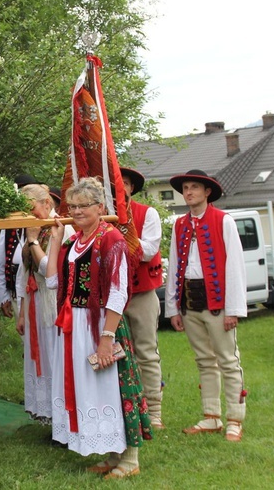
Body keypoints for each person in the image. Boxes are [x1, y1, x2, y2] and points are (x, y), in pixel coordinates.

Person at [46, 177, 151, 480]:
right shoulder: (72, 241)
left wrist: (107, 337)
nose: (76, 211)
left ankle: (130, 459)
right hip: (74, 322)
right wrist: (54, 239)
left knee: (112, 387)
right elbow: (53, 281)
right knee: (91, 388)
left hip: (101, 323)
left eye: (83, 206)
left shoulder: (111, 238)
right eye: (73, 206)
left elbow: (118, 291)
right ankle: (112, 452)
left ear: (100, 207)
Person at [165, 169, 247, 442]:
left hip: (218, 303)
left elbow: (234, 265)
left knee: (228, 360)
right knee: (204, 361)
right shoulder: (179, 224)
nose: (188, 192)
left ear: (207, 192)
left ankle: (235, 418)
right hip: (190, 301)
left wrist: (233, 309)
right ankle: (211, 416)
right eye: (185, 188)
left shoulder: (223, 221)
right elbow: (175, 265)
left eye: (194, 188)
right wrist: (174, 308)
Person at [16, 184, 73, 430]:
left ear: (47, 204)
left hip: (53, 300)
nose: (29, 216)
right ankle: (45, 412)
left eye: (32, 209)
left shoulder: (62, 227)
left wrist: (32, 240)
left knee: (53, 355)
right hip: (34, 300)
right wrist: (21, 309)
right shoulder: (33, 228)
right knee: (37, 355)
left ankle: (60, 416)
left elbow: (49, 268)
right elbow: (23, 270)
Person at [119, 167, 165, 429]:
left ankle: (155, 409)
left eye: (124, 183)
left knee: (146, 352)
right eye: (115, 182)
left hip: (141, 292)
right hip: (112, 295)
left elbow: (148, 251)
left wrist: (114, 244)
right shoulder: (100, 214)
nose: (120, 187)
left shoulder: (148, 213)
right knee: (117, 353)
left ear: (131, 188)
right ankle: (126, 406)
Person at [0, 174, 41, 325]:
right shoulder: (9, 225)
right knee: (25, 336)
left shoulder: (43, 223)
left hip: (38, 290)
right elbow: (1, 263)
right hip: (15, 290)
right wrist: (3, 296)